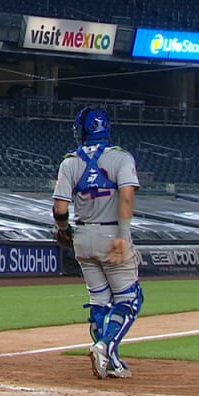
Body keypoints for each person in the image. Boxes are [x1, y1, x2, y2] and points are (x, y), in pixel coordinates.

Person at [52, 105, 142, 380]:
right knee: (129, 299)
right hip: (111, 233)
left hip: (82, 235)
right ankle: (105, 347)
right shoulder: (121, 158)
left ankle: (111, 362)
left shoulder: (69, 161)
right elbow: (126, 196)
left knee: (100, 301)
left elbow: (60, 209)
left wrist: (64, 229)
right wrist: (123, 236)